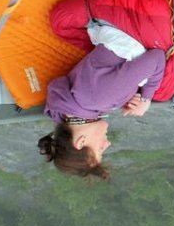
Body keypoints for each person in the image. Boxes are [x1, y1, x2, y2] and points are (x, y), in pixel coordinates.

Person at [37, 24, 166, 179]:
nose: (107, 144)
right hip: (108, 27)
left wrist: (145, 99)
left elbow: (157, 58)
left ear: (81, 142)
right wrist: (126, 95)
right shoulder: (68, 105)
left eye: (100, 150)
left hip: (135, 26)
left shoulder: (99, 99)